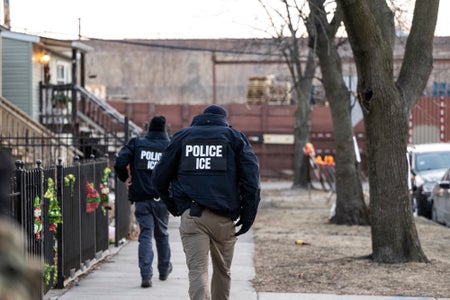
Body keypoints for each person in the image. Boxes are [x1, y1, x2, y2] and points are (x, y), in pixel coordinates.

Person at [153, 104, 261, 300]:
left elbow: (159, 177)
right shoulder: (235, 138)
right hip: (224, 218)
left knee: (198, 272)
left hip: (193, 216)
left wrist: (175, 207)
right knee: (222, 271)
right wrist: (248, 216)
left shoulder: (182, 137)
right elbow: (251, 181)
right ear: (224, 121)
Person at [114, 116, 172, 288]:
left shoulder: (137, 144)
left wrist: (125, 178)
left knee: (145, 234)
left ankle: (146, 275)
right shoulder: (169, 146)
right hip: (162, 199)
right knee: (162, 233)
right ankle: (163, 269)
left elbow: (119, 162)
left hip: (142, 198)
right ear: (164, 129)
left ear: (149, 129)